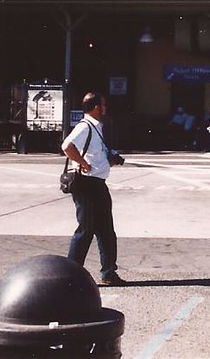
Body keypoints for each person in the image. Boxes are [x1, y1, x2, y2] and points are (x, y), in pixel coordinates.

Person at [61, 92, 126, 286]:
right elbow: (67, 146)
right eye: (103, 105)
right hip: (85, 183)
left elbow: (94, 154)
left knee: (106, 230)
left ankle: (108, 272)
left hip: (97, 184)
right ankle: (71, 274)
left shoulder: (97, 128)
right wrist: (82, 163)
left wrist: (110, 159)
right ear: (96, 107)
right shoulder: (85, 126)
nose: (105, 108)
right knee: (86, 229)